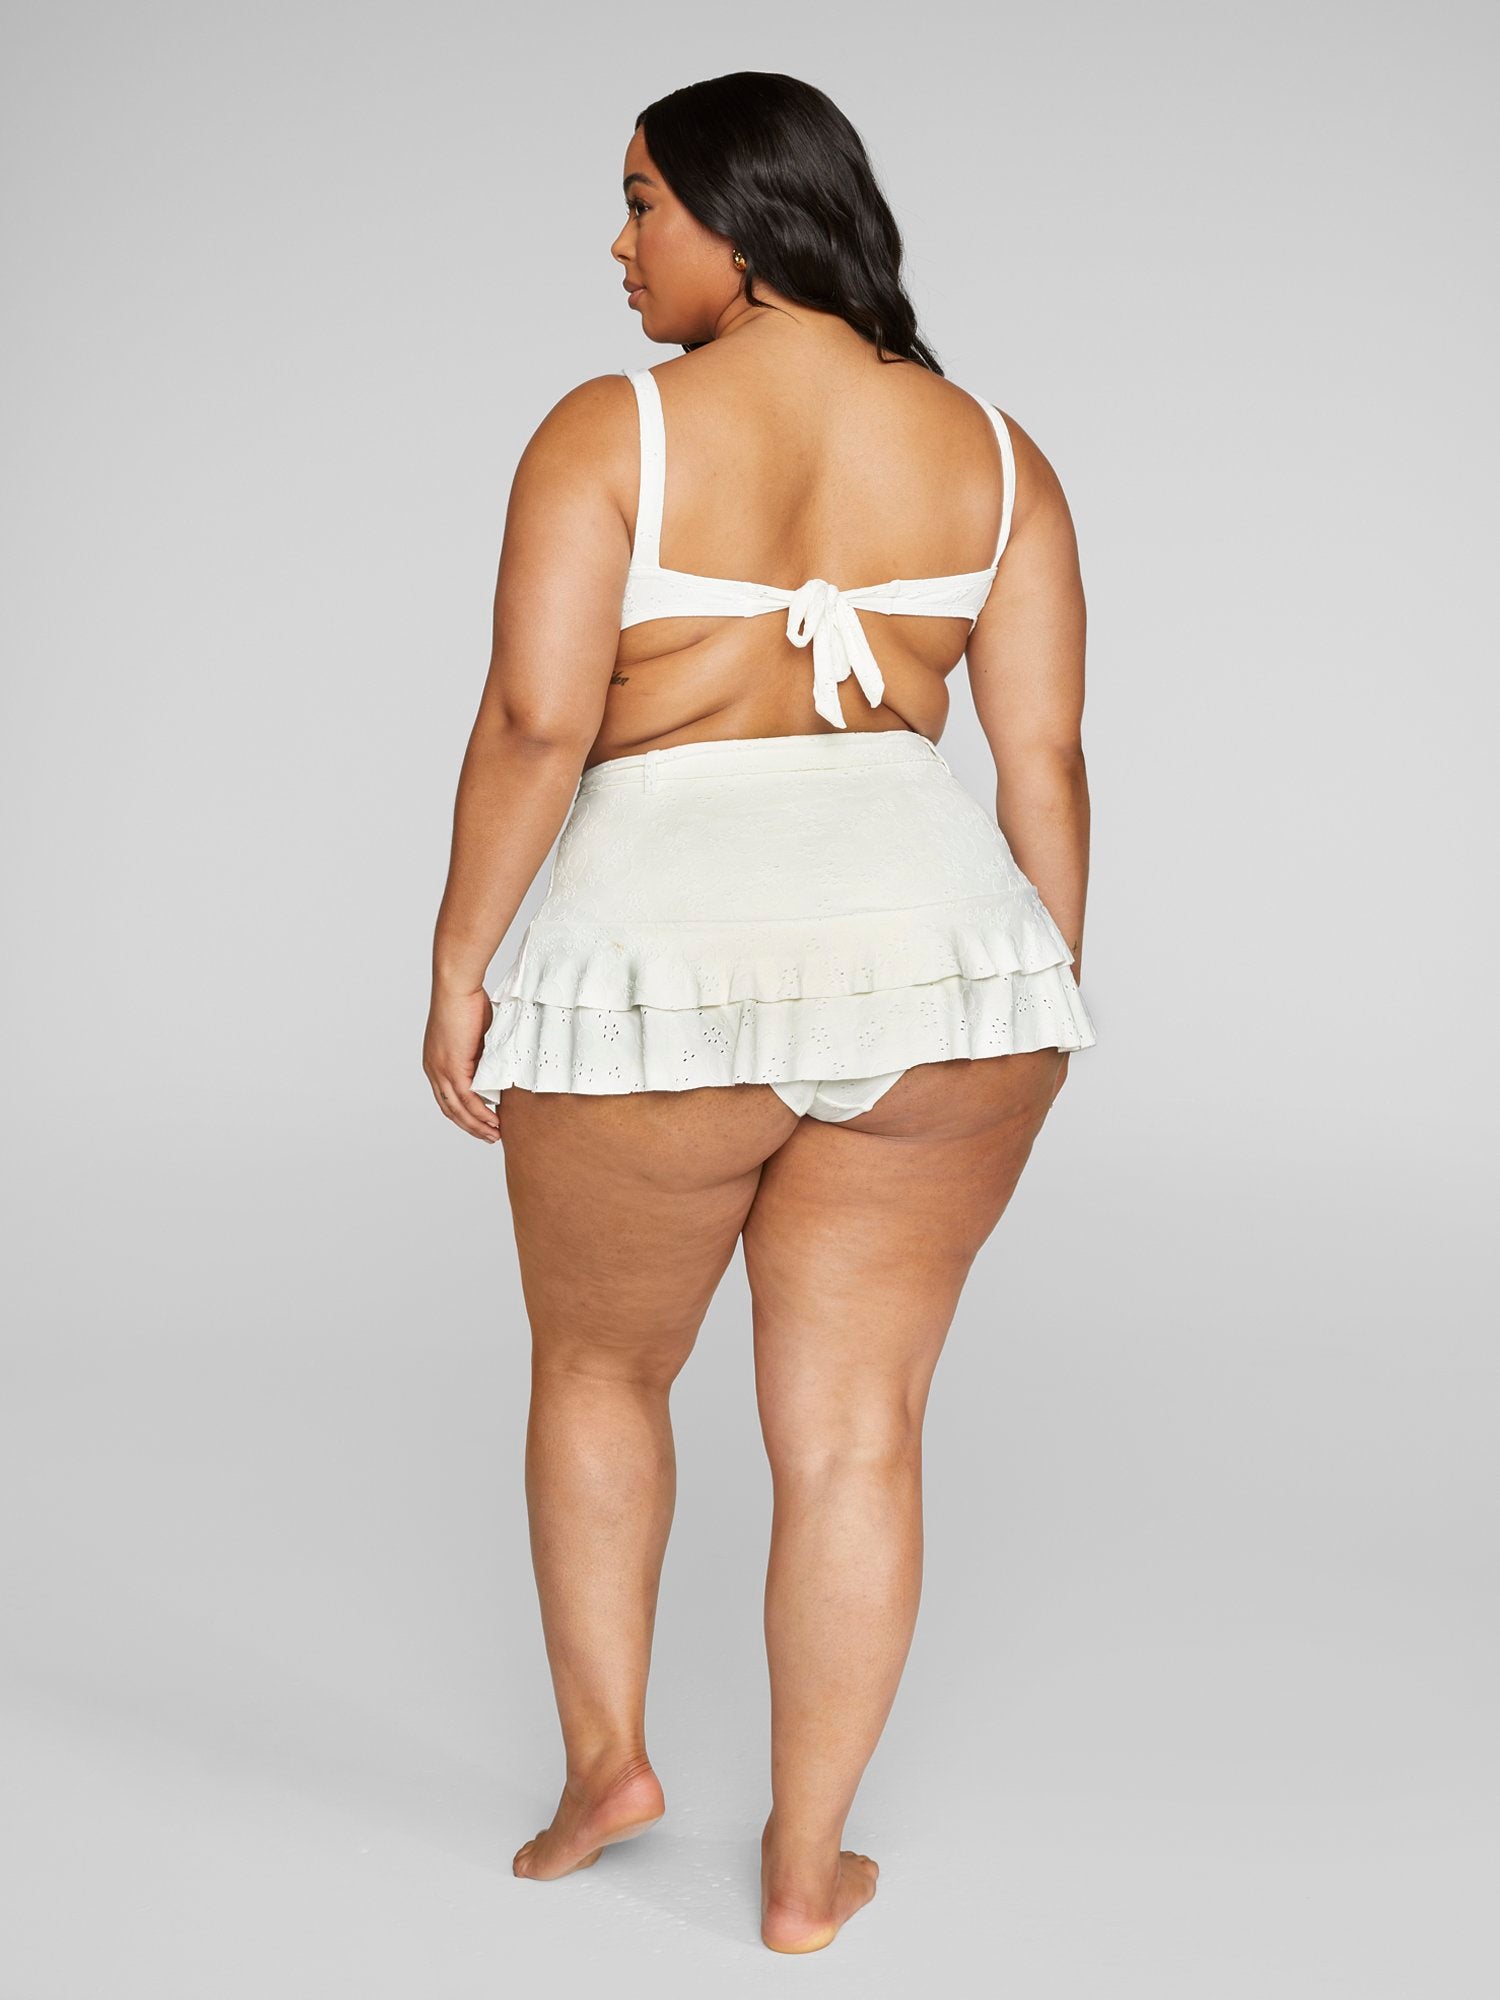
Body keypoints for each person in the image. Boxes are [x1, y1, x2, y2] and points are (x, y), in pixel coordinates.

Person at [422, 70, 1098, 1955]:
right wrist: (1032, 986)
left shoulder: (612, 431)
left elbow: (538, 722)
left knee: (598, 1371)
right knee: (859, 1430)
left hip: (659, 970)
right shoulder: (996, 451)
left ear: (744, 215)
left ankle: (606, 1771)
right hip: (946, 969)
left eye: (644, 201)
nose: (619, 243)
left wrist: (462, 961)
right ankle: (807, 1878)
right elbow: (1042, 761)